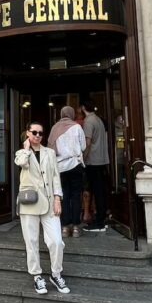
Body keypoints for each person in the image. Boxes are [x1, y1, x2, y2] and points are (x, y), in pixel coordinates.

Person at [15, 123, 70, 295]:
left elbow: (55, 177)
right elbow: (21, 163)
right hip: (29, 203)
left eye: (41, 133)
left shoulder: (50, 153)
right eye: (34, 132)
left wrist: (57, 198)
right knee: (31, 242)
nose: (38, 135)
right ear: (28, 133)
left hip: (48, 203)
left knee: (56, 241)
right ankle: (37, 276)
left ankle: (56, 273)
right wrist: (26, 148)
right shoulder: (21, 153)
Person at [49, 105, 86, 238]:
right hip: (75, 165)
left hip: (60, 167)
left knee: (63, 196)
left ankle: (65, 227)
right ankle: (76, 227)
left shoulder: (54, 128)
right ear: (72, 114)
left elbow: (50, 148)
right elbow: (83, 146)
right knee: (76, 195)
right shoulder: (77, 127)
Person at [80, 101, 109, 232]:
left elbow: (87, 142)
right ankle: (102, 218)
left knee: (96, 191)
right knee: (100, 190)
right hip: (102, 159)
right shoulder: (98, 119)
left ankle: (99, 222)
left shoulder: (88, 121)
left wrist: (83, 158)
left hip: (93, 161)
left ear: (83, 108)